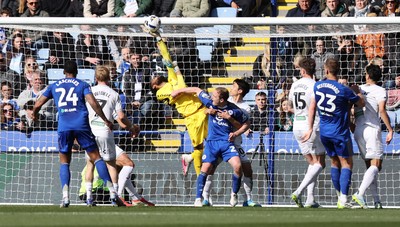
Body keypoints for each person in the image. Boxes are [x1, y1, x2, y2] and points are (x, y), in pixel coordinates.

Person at [31, 60, 123, 207]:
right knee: (97, 158)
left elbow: (38, 103)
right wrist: (106, 120)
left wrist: (34, 114)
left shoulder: (54, 85)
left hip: (64, 126)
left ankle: (66, 197)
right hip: (81, 125)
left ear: (63, 72)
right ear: (77, 71)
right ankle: (112, 193)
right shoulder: (82, 85)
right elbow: (93, 103)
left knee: (65, 162)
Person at [171, 87, 250, 207]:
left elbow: (245, 125)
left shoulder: (234, 110)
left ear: (222, 100)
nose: (211, 97)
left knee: (238, 166)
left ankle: (234, 194)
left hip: (226, 143)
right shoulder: (210, 103)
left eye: (214, 96)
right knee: (205, 169)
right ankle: (199, 199)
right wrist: (179, 91)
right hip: (212, 143)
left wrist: (231, 124)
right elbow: (197, 90)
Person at [144, 27, 208, 176]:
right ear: (154, 86)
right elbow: (182, 88)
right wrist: (177, 71)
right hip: (192, 117)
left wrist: (159, 38)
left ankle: (188, 158)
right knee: (199, 149)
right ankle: (201, 182)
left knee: (213, 144)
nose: (155, 75)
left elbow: (166, 57)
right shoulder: (161, 94)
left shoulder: (170, 79)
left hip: (202, 110)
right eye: (152, 78)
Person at [303, 58, 365, 209]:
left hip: (324, 131)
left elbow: (313, 106)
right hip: (340, 132)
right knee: (347, 163)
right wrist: (358, 93)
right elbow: (360, 103)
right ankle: (343, 199)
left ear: (326, 71)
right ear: (338, 71)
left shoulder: (317, 86)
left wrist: (310, 127)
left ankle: (339, 196)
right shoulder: (344, 90)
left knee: (334, 162)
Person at [201, 79, 261, 207]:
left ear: (240, 91)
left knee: (246, 168)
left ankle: (247, 199)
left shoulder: (245, 107)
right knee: (210, 168)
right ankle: (206, 197)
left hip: (235, 143)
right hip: (218, 141)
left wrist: (232, 123)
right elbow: (207, 108)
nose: (231, 88)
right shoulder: (221, 100)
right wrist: (207, 111)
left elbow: (242, 126)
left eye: (234, 86)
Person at [84, 65, 136, 206]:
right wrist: (131, 127)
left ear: (95, 78)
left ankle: (89, 197)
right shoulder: (114, 94)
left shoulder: (88, 92)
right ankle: (115, 196)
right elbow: (121, 117)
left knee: (90, 164)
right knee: (111, 164)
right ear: (109, 77)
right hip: (105, 132)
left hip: (90, 132)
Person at [352, 64, 394, 209]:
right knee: (377, 165)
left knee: (370, 166)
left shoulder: (359, 89)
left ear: (368, 75)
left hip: (358, 130)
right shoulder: (381, 90)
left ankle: (376, 201)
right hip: (371, 128)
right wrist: (390, 129)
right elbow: (381, 110)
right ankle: (359, 193)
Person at [288, 58, 325, 208]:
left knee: (312, 163)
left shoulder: (295, 84)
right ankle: (298, 191)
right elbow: (313, 107)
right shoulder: (315, 86)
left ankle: (310, 199)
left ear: (302, 71)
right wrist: (310, 126)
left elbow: (289, 106)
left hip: (297, 126)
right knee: (320, 163)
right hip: (311, 126)